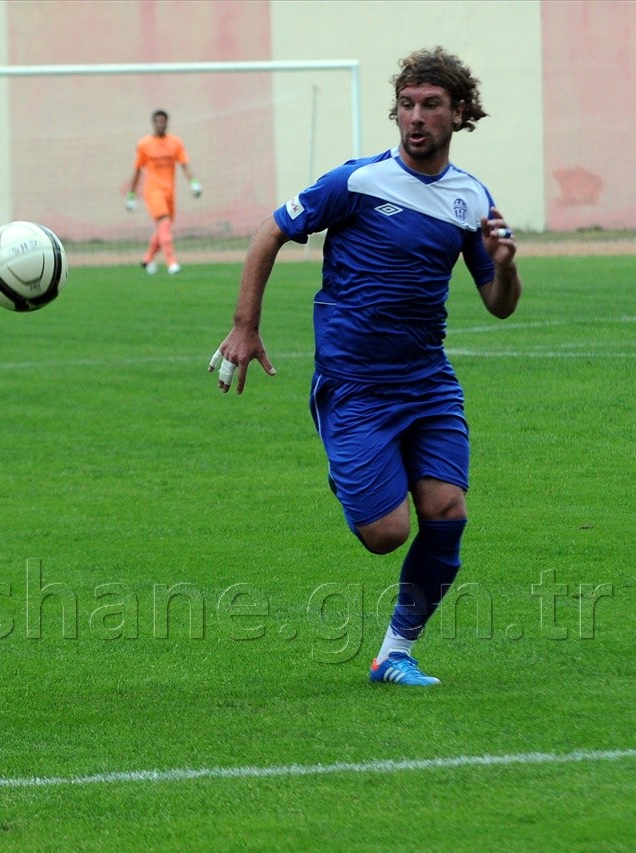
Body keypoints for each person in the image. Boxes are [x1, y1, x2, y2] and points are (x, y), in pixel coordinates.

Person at [209, 47, 522, 686]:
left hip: (428, 381)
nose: (415, 117)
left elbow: (498, 305)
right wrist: (246, 326)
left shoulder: (470, 198)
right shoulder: (355, 183)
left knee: (446, 513)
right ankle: (353, 471)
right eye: (406, 104)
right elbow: (269, 234)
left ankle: (394, 653)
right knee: (384, 533)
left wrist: (507, 265)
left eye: (430, 104)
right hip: (355, 384)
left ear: (458, 113)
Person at [127, 109, 200, 275]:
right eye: (157, 121)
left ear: (167, 122)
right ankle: (171, 262)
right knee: (164, 222)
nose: (160, 124)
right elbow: (137, 170)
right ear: (153, 123)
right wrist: (131, 194)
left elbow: (184, 165)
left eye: (163, 121)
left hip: (169, 191)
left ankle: (147, 258)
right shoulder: (144, 144)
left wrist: (194, 183)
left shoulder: (175, 143)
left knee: (163, 227)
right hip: (152, 190)